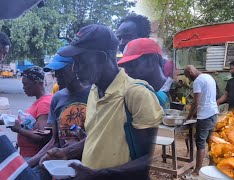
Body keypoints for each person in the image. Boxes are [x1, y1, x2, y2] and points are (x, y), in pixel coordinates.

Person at [40, 24, 164, 180]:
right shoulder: (93, 90)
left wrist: (99, 175)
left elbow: (154, 158)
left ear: (101, 58)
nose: (76, 69)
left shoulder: (136, 94)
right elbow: (96, 137)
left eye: (81, 61)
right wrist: (66, 152)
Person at [27, 53, 90, 169]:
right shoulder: (57, 98)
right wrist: (28, 164)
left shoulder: (93, 94)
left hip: (88, 166)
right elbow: (55, 141)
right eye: (55, 71)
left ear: (75, 67)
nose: (56, 75)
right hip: (62, 166)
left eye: (61, 71)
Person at [184, 65, 219, 177]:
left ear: (190, 72)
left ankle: (197, 170)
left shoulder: (198, 81)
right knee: (211, 142)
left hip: (204, 117)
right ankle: (212, 167)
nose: (189, 79)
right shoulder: (209, 77)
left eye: (188, 77)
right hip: (213, 113)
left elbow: (196, 102)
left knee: (200, 144)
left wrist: (188, 117)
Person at [118, 38, 172, 108]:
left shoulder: (177, 89)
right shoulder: (132, 94)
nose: (127, 71)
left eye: (131, 65)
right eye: (125, 66)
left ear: (152, 61)